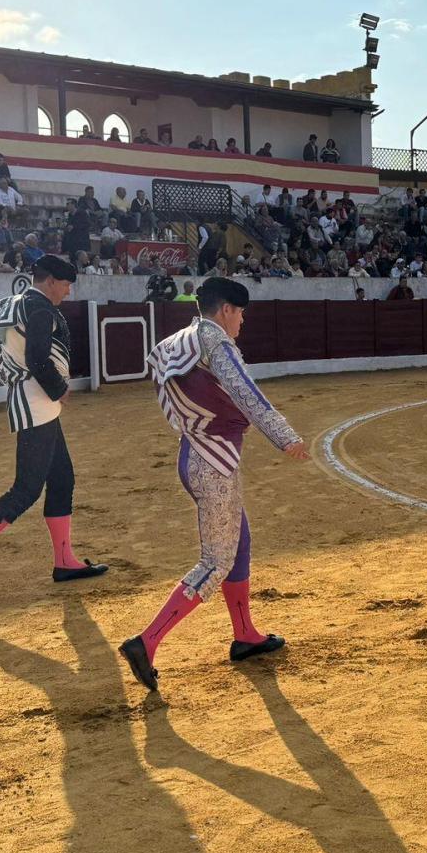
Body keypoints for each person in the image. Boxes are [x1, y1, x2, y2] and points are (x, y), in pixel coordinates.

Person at [121, 277, 309, 691]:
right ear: (226, 310)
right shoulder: (216, 343)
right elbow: (244, 392)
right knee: (216, 560)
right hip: (212, 462)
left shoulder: (182, 339)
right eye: (240, 313)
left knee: (237, 543)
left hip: (194, 451)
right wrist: (285, 436)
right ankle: (146, 642)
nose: (242, 321)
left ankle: (245, 636)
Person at [0, 255, 108, 600]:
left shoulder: (16, 303)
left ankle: (65, 561)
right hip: (36, 400)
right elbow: (36, 358)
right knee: (27, 488)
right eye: (65, 284)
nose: (68, 290)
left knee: (62, 479)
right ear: (50, 282)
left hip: (30, 397)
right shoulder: (41, 307)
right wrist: (59, 389)